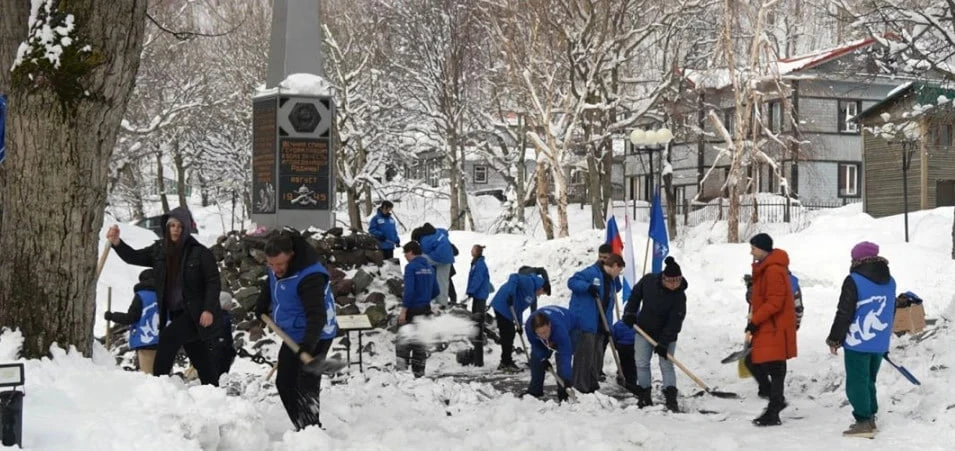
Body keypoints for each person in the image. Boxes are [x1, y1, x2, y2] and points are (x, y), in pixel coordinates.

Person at [106, 207, 223, 386]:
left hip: (195, 312)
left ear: (186, 228)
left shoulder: (200, 253)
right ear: (166, 227)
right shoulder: (159, 250)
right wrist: (117, 242)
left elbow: (213, 282)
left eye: (180, 226)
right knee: (198, 352)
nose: (176, 230)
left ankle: (159, 384)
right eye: (172, 225)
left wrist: (208, 309)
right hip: (175, 312)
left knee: (168, 338)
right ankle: (213, 388)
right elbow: (134, 257)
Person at [253, 231, 339, 430]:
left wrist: (307, 346)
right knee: (284, 382)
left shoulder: (310, 276)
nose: (276, 269)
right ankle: (302, 426)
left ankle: (312, 430)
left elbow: (317, 316)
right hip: (293, 331)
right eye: (271, 264)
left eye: (280, 264)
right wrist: (262, 304)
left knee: (306, 384)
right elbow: (272, 282)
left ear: (291, 255)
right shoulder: (276, 267)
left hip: (317, 332)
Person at [826, 241, 896, 438]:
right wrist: (885, 337)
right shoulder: (890, 280)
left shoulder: (853, 280)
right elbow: (891, 309)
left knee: (857, 382)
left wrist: (834, 339)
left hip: (858, 341)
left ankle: (863, 421)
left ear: (857, 260)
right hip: (879, 340)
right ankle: (870, 416)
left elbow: (844, 313)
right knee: (869, 380)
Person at [744, 233, 797, 426]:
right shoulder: (766, 268)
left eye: (754, 248)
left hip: (774, 326)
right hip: (770, 325)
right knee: (760, 362)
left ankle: (774, 408)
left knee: (773, 366)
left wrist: (755, 321)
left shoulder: (773, 270)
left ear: (763, 249)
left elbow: (775, 302)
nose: (751, 252)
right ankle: (774, 400)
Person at [622, 256, 688, 411]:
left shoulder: (679, 296)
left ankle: (671, 398)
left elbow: (675, 322)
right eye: (670, 281)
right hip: (644, 330)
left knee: (666, 364)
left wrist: (664, 342)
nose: (673, 285)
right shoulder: (648, 281)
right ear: (663, 278)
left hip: (667, 334)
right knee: (641, 363)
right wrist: (630, 312)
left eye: (677, 281)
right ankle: (644, 395)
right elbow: (635, 296)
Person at [567, 253, 624, 393]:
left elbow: (610, 302)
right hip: (585, 320)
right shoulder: (592, 272)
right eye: (619, 270)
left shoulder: (610, 281)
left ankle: (592, 383)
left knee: (596, 356)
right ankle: (580, 386)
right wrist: (587, 287)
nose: (619, 273)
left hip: (600, 324)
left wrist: (608, 326)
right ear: (614, 265)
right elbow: (572, 281)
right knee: (584, 355)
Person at [396, 241, 440, 377]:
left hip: (412, 309)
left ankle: (402, 373)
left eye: (405, 253)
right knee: (420, 341)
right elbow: (436, 290)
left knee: (404, 339)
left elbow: (409, 291)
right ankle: (419, 373)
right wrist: (424, 297)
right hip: (425, 309)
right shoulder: (430, 268)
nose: (405, 256)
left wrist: (403, 311)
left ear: (411, 252)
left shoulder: (411, 267)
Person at [103, 269, 159, 374]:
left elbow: (131, 318)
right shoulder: (166, 295)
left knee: (149, 377)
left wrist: (112, 316)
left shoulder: (141, 296)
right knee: (164, 378)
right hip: (164, 342)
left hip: (145, 340)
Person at [490, 271, 546, 372]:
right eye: (542, 292)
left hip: (508, 310)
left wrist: (519, 325)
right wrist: (511, 294)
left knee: (509, 334)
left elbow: (519, 309)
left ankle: (506, 361)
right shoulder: (529, 281)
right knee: (508, 333)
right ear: (541, 288)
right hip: (502, 304)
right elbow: (514, 277)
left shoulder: (532, 296)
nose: (540, 295)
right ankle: (505, 362)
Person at [524, 305, 580, 402]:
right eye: (540, 333)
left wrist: (566, 379)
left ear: (549, 325)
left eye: (546, 331)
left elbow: (565, 355)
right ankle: (535, 390)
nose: (544, 335)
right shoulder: (529, 328)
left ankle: (564, 392)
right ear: (534, 331)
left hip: (573, 327)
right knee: (536, 359)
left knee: (561, 359)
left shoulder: (559, 330)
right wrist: (542, 358)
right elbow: (535, 344)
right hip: (554, 326)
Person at [411, 223, 455, 308]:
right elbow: (445, 232)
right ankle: (443, 303)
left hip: (440, 257)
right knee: (443, 282)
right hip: (448, 258)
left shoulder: (424, 240)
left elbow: (424, 251)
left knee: (418, 258)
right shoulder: (437, 231)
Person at [465, 245, 491, 366]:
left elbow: (477, 279)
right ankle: (476, 357)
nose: (471, 251)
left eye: (472, 249)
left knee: (478, 324)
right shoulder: (476, 263)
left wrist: (471, 291)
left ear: (477, 252)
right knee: (476, 323)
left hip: (480, 296)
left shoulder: (479, 265)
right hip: (477, 295)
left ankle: (479, 360)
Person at [610, 319, 638, 395]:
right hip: (633, 346)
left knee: (624, 363)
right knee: (632, 365)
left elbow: (613, 334)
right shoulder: (637, 323)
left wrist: (616, 345)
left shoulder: (618, 324)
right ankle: (631, 382)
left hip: (621, 346)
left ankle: (623, 376)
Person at [216, 292, 237, 378]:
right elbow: (225, 333)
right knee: (222, 369)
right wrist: (229, 346)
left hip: (217, 346)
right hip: (222, 348)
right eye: (229, 302)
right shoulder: (223, 317)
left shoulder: (215, 315)